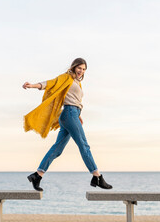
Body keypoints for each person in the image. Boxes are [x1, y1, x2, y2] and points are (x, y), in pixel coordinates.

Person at [22, 58, 112, 191]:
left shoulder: (76, 82)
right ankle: (97, 176)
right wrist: (32, 85)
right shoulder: (66, 77)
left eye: (84, 69)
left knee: (57, 149)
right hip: (69, 114)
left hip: (72, 115)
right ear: (74, 67)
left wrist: (78, 115)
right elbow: (50, 83)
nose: (81, 71)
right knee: (84, 145)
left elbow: (73, 100)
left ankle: (37, 176)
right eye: (79, 68)